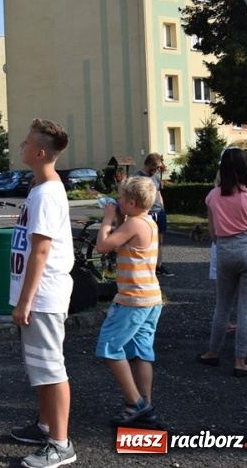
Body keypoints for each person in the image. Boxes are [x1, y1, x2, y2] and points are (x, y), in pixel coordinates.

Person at [8, 118, 76, 468]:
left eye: (25, 142)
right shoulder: (40, 188)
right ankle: (46, 425)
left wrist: (25, 300)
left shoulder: (48, 193)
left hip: (44, 296)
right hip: (38, 295)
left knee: (51, 369)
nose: (20, 145)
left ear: (38, 153)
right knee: (40, 367)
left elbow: (41, 251)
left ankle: (60, 444)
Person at [94, 177, 163, 426]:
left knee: (110, 347)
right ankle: (146, 403)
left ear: (131, 202)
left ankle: (136, 403)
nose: (118, 201)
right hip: (151, 298)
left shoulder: (133, 224)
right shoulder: (147, 221)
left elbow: (103, 246)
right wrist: (121, 217)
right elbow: (126, 240)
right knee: (141, 352)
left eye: (122, 198)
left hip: (132, 300)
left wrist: (108, 218)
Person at [197, 147, 247, 377]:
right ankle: (240, 361)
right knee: (246, 309)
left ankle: (213, 353)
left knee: (223, 306)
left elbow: (213, 233)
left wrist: (225, 245)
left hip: (225, 250)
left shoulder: (212, 196)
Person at [137, 153, 173, 277]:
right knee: (145, 241)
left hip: (159, 212)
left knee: (160, 240)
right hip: (146, 213)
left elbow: (158, 194)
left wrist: (162, 208)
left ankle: (158, 266)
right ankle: (146, 266)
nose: (158, 170)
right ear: (150, 164)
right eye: (156, 167)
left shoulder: (156, 178)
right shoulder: (138, 178)